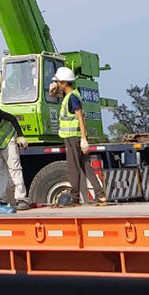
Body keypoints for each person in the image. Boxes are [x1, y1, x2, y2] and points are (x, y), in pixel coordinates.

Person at [51, 66, 107, 206]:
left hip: (73, 138)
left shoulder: (72, 98)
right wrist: (53, 92)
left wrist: (83, 138)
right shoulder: (71, 95)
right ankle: (100, 195)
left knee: (73, 168)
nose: (57, 84)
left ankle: (74, 198)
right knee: (86, 166)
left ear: (64, 83)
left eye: (58, 82)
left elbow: (81, 118)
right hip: (74, 137)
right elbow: (58, 96)